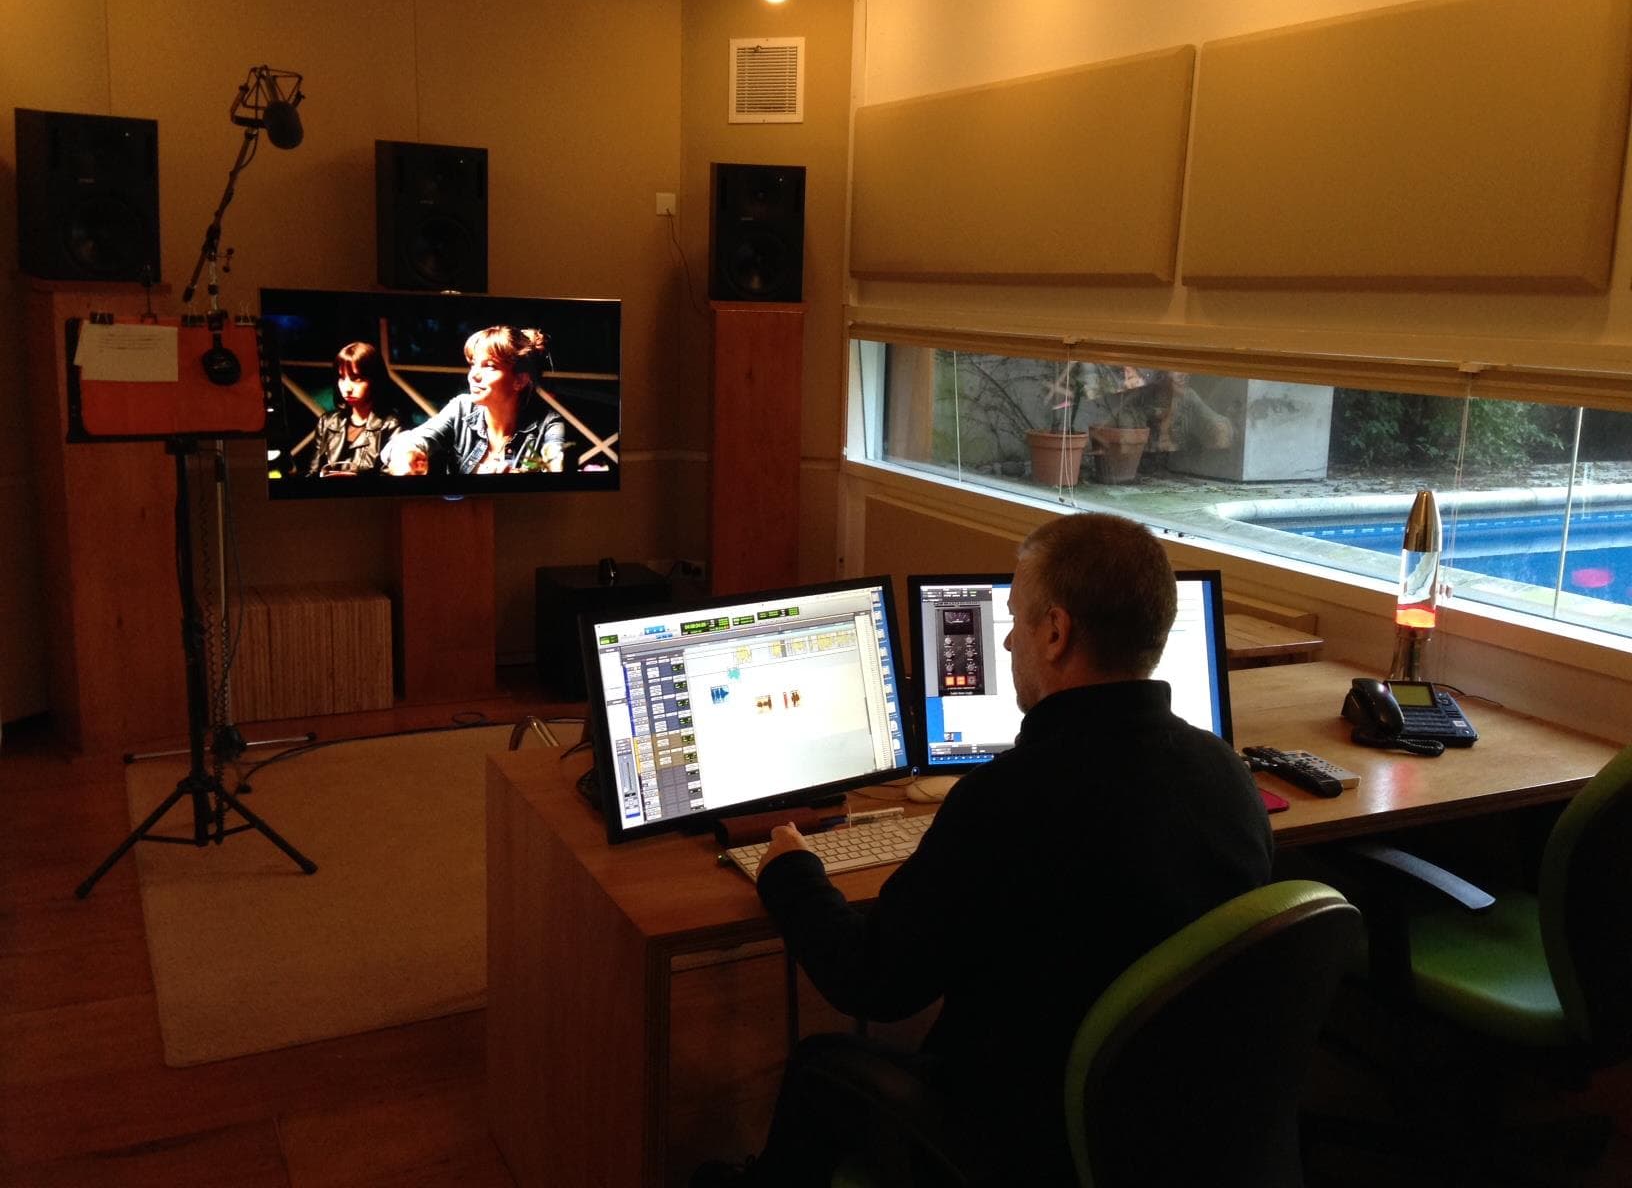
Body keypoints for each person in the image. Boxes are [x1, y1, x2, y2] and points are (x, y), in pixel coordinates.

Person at [701, 512, 1274, 1187]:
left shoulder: (1009, 798)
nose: (1005, 640)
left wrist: (792, 871)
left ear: (1056, 632)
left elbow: (873, 981)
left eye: (1016, 618)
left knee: (825, 1064)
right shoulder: (1229, 775)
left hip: (1033, 1136)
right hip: (1185, 1124)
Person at [381, 325, 565, 475]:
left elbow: (557, 471)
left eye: (489, 366)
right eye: (473, 364)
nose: (473, 375)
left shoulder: (548, 423)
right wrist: (407, 453)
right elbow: (411, 441)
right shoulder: (462, 408)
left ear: (520, 380)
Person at [303, 341, 405, 476]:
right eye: (341, 377)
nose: (347, 388)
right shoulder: (327, 422)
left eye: (356, 379)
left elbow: (391, 482)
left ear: (375, 379)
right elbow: (312, 474)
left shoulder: (391, 424)